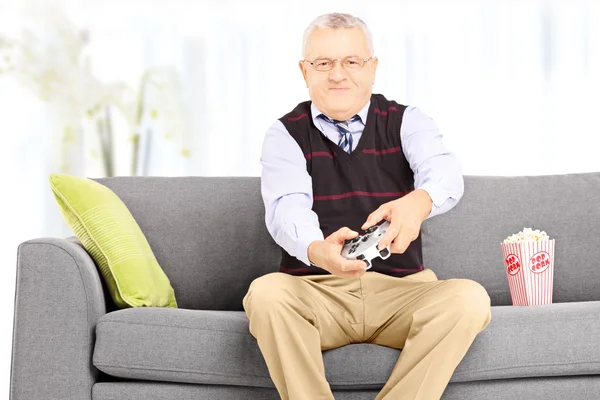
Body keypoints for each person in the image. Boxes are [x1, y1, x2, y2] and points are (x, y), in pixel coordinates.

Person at [243, 12, 492, 400]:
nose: (337, 75)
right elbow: (286, 209)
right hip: (318, 291)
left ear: (372, 68)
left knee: (469, 298)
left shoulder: (408, 121)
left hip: (402, 293)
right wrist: (318, 251)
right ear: (304, 71)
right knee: (266, 294)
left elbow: (444, 171)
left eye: (352, 61)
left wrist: (418, 202)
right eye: (322, 63)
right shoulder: (284, 134)